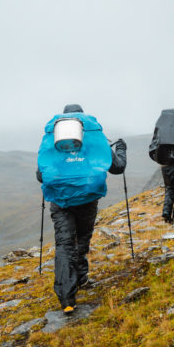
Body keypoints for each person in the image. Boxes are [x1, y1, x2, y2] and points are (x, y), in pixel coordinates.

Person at [36, 104, 127, 314]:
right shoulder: (94, 139)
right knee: (82, 239)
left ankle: (67, 299)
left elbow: (41, 175)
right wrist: (120, 149)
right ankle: (82, 279)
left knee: (64, 244)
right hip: (87, 200)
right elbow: (118, 167)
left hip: (60, 202)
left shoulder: (53, 140)